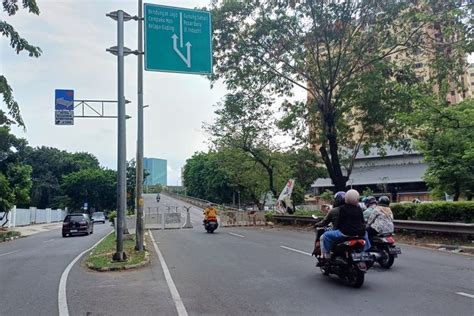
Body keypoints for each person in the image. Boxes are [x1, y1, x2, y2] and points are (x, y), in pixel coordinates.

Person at [320, 189, 370, 261]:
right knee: (366, 233)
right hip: (360, 233)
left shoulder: (341, 209)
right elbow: (362, 221)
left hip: (346, 233)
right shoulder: (359, 209)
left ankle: (327, 254)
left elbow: (340, 222)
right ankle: (366, 250)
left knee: (326, 235)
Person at [312, 191, 345, 256]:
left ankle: (325, 255)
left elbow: (324, 222)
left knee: (324, 236)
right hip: (357, 233)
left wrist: (317, 225)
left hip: (341, 231)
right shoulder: (356, 209)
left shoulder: (334, 211)